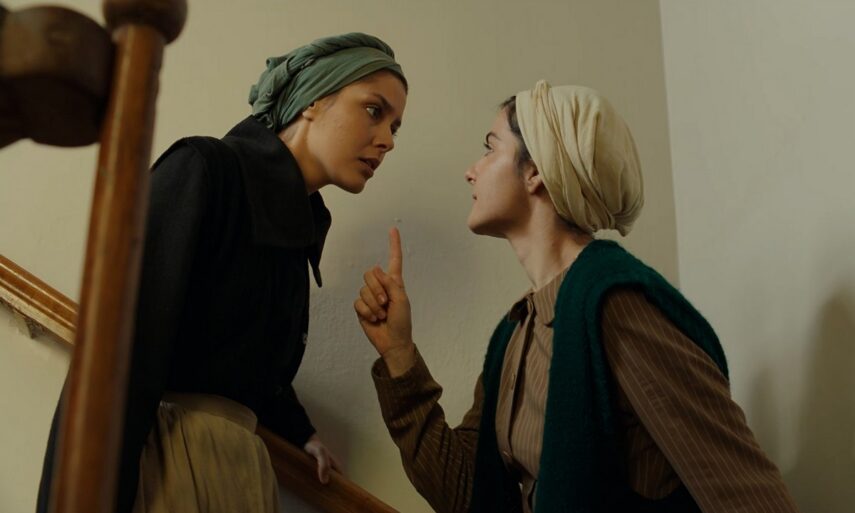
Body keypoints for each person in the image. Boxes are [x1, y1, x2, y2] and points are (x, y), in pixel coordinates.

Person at [354, 81, 799, 512]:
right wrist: (399, 353)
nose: (472, 169)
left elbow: (742, 491)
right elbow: (467, 493)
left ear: (535, 171)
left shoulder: (616, 307)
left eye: (490, 148)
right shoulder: (516, 333)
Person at [38, 32, 407, 513]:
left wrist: (300, 431)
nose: (387, 141)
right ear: (314, 99)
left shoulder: (297, 228)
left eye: (395, 127)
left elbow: (240, 362)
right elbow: (122, 351)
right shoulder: (207, 169)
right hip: (166, 465)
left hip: (237, 474)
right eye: (374, 110)